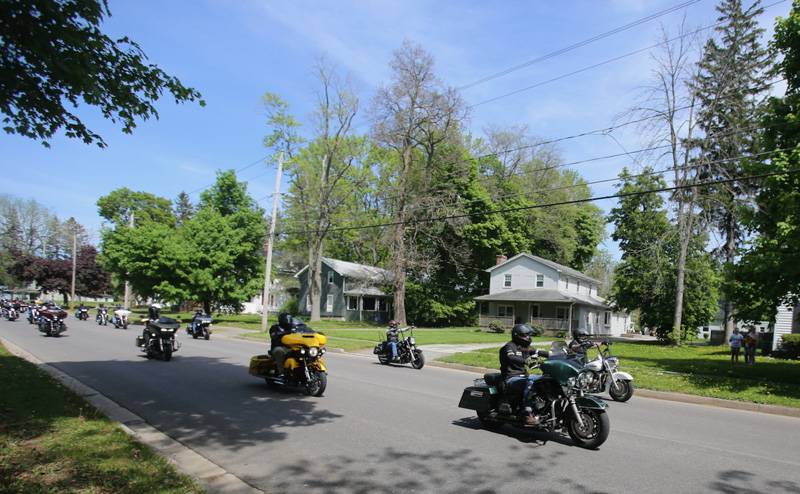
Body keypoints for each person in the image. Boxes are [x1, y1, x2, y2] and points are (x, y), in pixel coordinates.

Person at [499, 324, 541, 426]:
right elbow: (511, 358)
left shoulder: (525, 347)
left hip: (523, 376)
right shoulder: (509, 346)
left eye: (528, 335)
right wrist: (526, 361)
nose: (528, 337)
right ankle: (526, 413)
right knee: (530, 381)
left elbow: (538, 352)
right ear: (517, 335)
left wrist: (554, 355)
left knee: (543, 380)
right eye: (525, 335)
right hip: (510, 378)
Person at [269, 313, 296, 377]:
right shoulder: (275, 327)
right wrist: (284, 333)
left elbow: (303, 330)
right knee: (279, 351)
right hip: (279, 347)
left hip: (293, 347)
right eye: (287, 319)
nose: (288, 321)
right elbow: (273, 335)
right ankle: (281, 372)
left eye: (289, 319)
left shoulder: (293, 327)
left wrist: (314, 332)